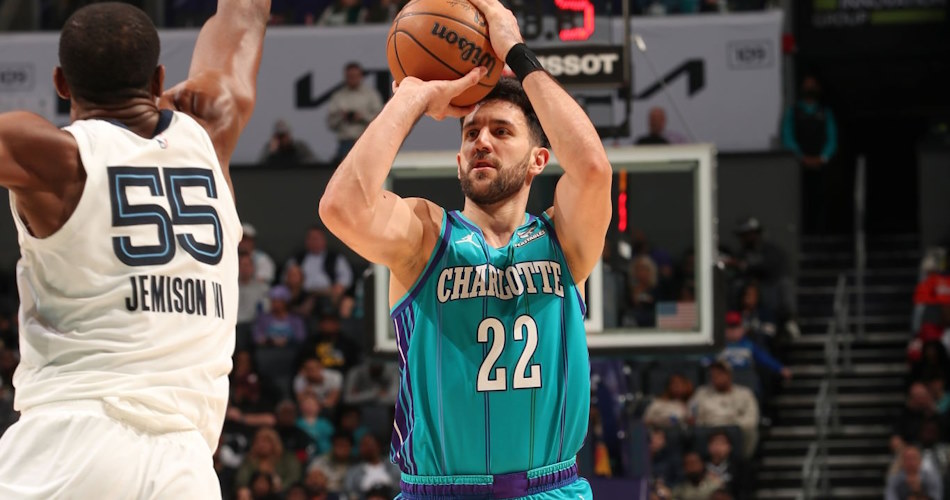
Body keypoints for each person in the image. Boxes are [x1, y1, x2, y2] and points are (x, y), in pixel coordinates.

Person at [319, 0, 612, 496]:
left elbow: (593, 168)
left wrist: (515, 51)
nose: (482, 142)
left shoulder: (562, 239)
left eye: (502, 131)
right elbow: (341, 207)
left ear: (539, 159)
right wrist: (412, 97)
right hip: (441, 490)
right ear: (458, 161)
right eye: (471, 132)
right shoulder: (426, 234)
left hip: (550, 487)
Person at [0, 1, 269, 498]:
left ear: (61, 83)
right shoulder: (211, 133)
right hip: (184, 463)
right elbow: (245, 13)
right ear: (158, 76)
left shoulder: (54, 158)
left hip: (69, 442)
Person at [781, 75, 838, 235]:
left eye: (813, 85)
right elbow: (788, 137)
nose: (810, 88)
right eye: (807, 85)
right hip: (799, 165)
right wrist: (802, 157)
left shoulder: (825, 112)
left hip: (821, 166)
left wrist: (823, 157)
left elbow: (832, 138)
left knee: (822, 199)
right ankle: (803, 233)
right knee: (800, 199)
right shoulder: (793, 112)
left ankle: (822, 233)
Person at [326, 62, 383, 160]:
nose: (352, 79)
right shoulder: (338, 96)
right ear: (345, 77)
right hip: (345, 143)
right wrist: (341, 116)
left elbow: (380, 120)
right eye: (350, 76)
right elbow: (331, 123)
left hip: (366, 142)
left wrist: (362, 117)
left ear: (361, 76)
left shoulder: (371, 95)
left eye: (355, 76)